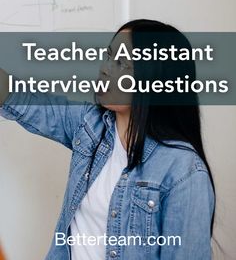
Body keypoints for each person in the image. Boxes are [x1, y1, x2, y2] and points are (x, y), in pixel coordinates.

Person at [0, 19, 215, 260]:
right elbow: (19, 98)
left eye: (121, 62)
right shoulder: (89, 124)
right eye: (109, 55)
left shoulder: (184, 171)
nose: (105, 68)